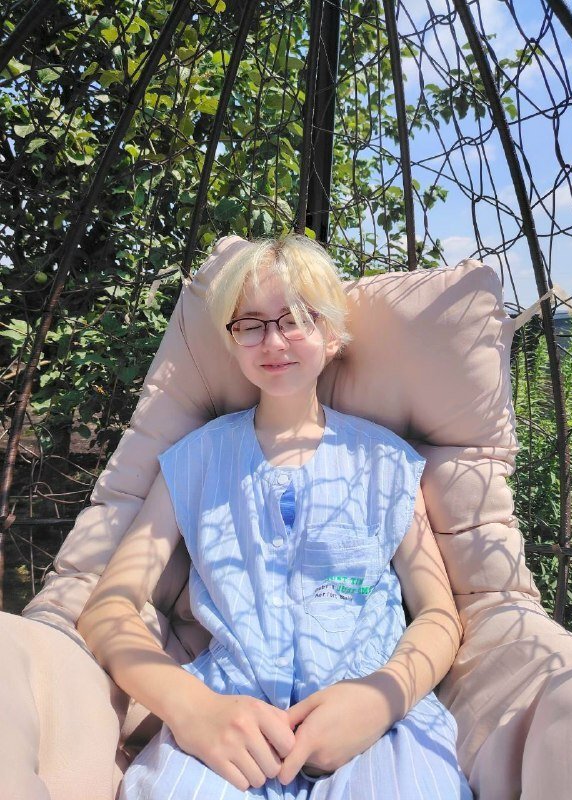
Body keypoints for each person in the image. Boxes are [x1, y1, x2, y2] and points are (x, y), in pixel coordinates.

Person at [77, 234, 473, 799]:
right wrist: (189, 707)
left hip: (377, 727)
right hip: (224, 722)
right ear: (232, 339)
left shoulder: (385, 462)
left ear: (331, 335)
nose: (274, 340)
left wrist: (383, 696)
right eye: (251, 323)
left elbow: (437, 612)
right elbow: (108, 606)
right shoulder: (196, 459)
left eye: (297, 319)